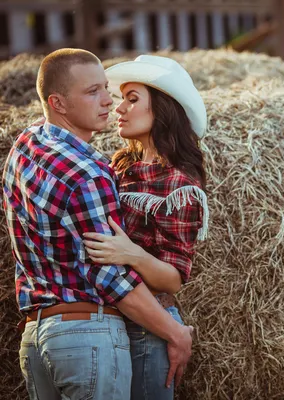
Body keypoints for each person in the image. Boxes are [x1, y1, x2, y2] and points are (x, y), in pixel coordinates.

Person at [2, 48, 194, 400]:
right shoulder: (89, 173)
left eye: (108, 89)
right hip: (88, 337)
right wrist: (175, 332)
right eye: (93, 92)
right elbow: (109, 279)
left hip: (35, 337)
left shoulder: (24, 145)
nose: (110, 102)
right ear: (58, 103)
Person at [81, 55, 209, 400]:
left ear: (163, 109)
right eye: (121, 98)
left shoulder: (179, 183)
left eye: (132, 99)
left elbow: (174, 279)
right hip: (105, 320)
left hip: (148, 326)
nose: (119, 108)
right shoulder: (116, 167)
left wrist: (131, 253)